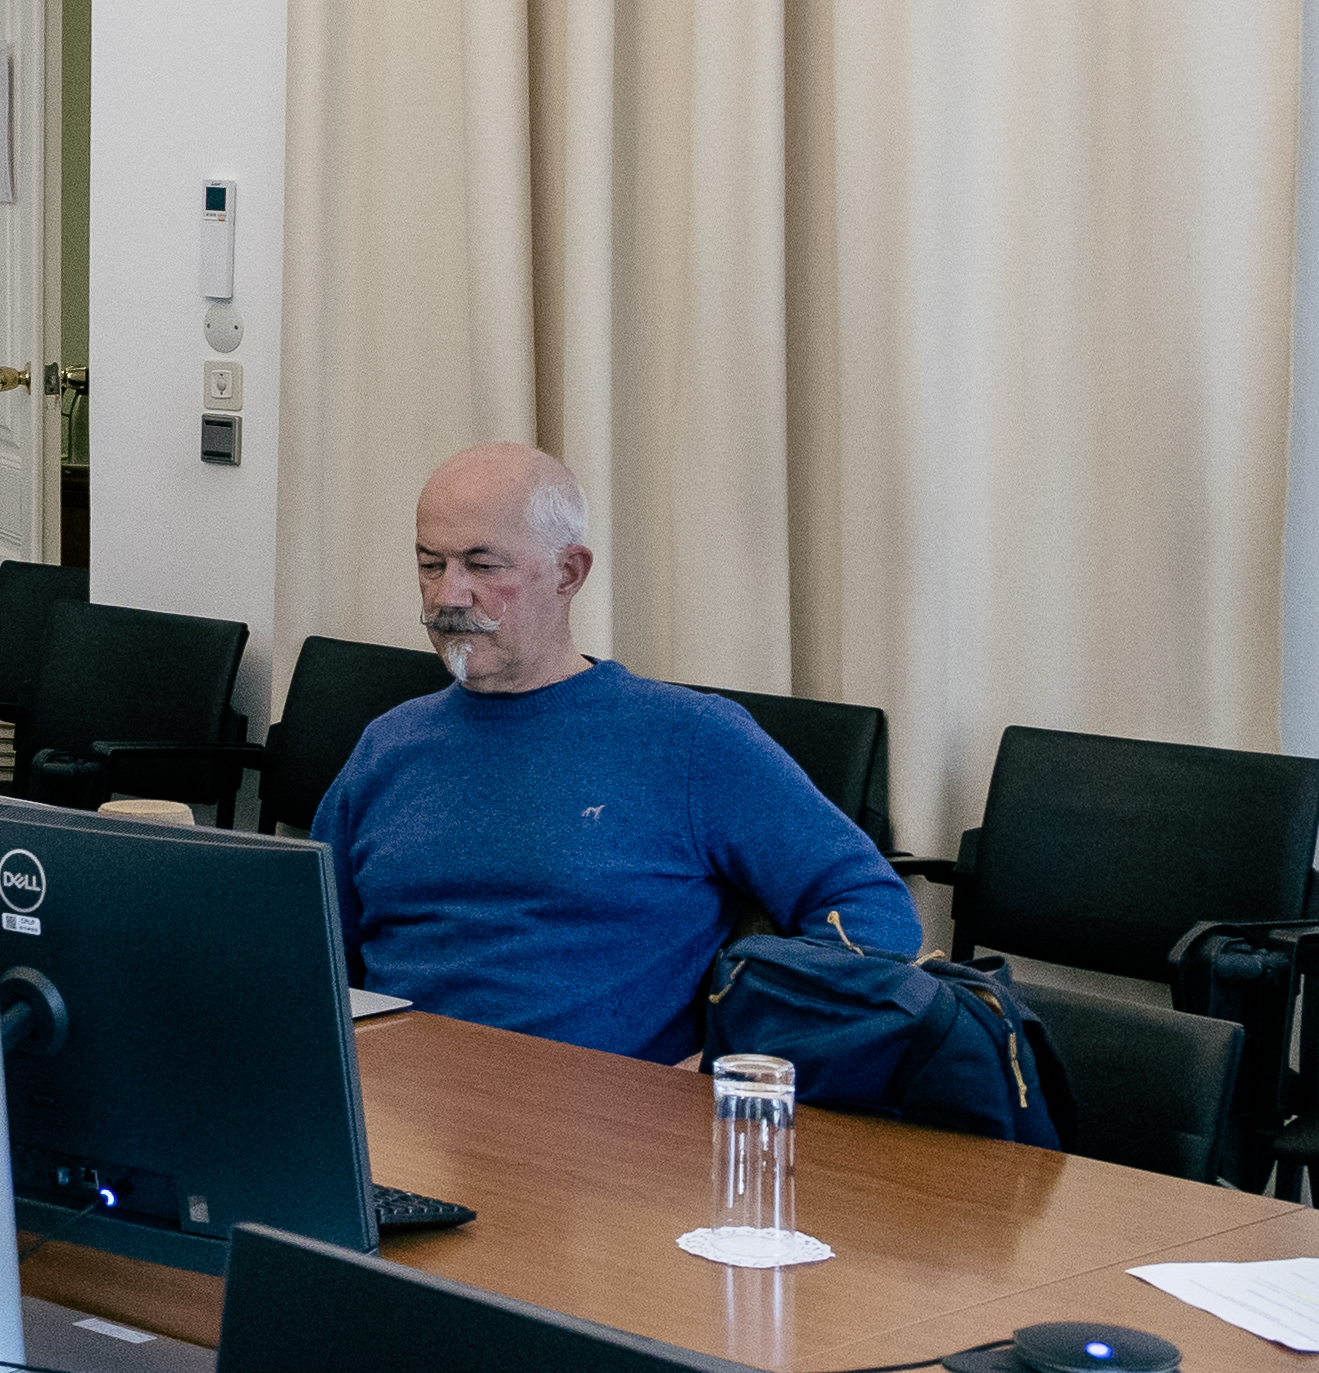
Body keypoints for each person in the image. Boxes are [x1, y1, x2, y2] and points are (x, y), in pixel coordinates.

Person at [309, 441, 916, 1060]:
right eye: (430, 565)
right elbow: (310, 941)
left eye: (483, 566)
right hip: (398, 1111)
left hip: (598, 1128)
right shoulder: (388, 744)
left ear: (568, 573)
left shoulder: (691, 740)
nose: (449, 596)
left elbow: (870, 909)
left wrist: (734, 1058)